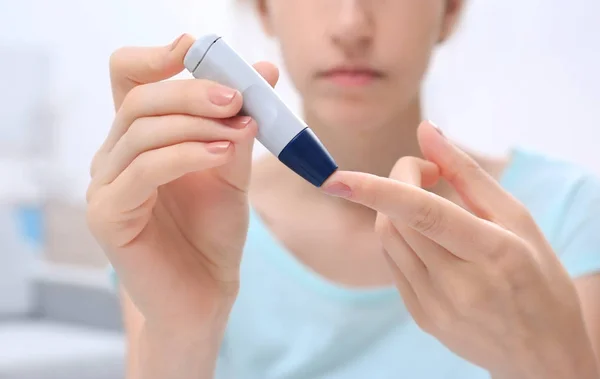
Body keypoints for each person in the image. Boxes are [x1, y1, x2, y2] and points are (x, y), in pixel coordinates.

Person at [86, 1, 600, 378]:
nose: (352, 24)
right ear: (265, 11)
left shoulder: (567, 214)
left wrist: (555, 365)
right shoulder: (182, 216)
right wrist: (181, 335)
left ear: (449, 11)